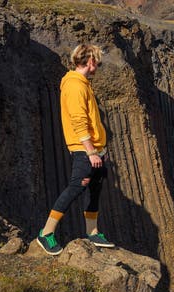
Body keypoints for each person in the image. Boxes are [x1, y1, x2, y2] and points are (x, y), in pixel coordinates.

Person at [36, 44, 115, 255]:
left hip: (95, 149)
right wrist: (90, 151)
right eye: (97, 62)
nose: (97, 66)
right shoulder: (74, 86)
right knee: (76, 187)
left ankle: (93, 232)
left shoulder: (83, 84)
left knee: (94, 189)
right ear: (90, 61)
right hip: (84, 150)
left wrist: (98, 150)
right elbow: (78, 121)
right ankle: (46, 232)